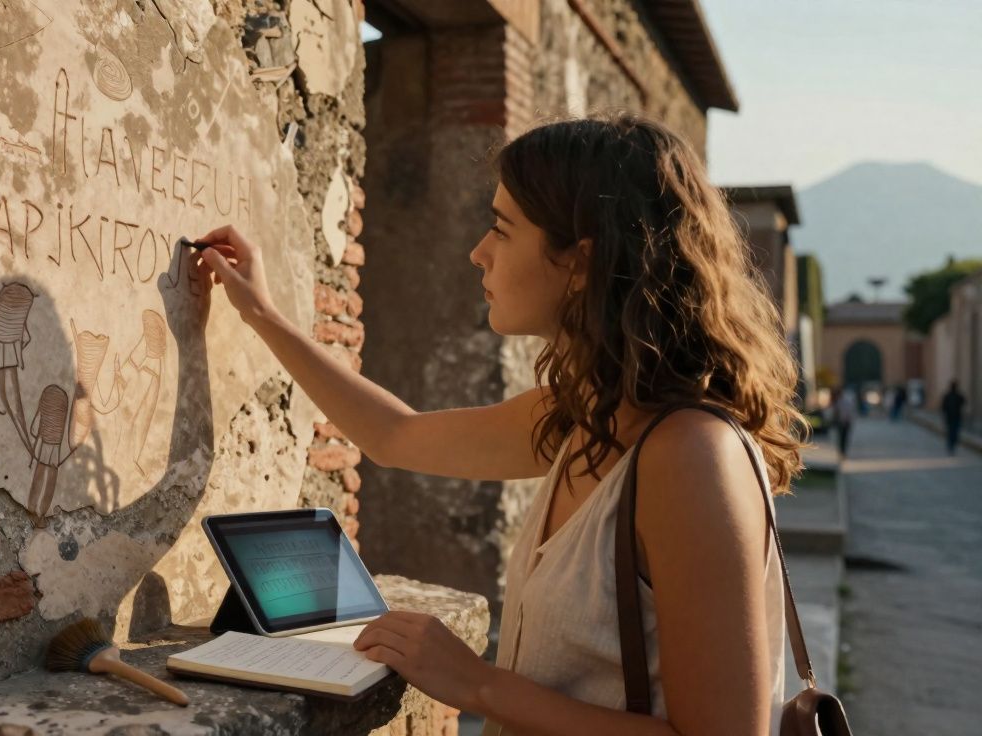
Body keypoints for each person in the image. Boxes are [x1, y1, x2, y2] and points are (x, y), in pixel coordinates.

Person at [192, 114, 804, 735]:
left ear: (581, 262)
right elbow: (393, 435)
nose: (478, 252)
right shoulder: (583, 416)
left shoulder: (692, 455)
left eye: (503, 230)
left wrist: (477, 683)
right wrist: (261, 313)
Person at [942, 380, 967, 455]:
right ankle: (951, 445)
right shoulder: (956, 396)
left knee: (951, 432)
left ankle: (951, 445)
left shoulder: (948, 396)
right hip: (955, 417)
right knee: (954, 432)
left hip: (952, 417)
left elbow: (943, 407)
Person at [833, 387, 856, 458]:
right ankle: (842, 452)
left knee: (842, 438)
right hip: (845, 422)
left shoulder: (840, 401)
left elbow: (836, 412)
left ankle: (842, 452)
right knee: (843, 438)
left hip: (843, 422)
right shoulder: (845, 401)